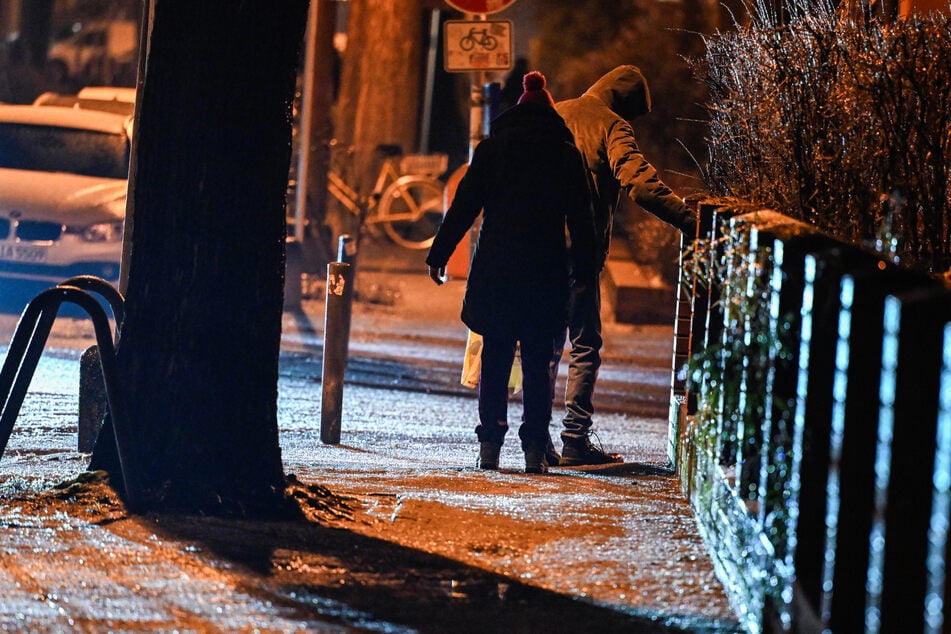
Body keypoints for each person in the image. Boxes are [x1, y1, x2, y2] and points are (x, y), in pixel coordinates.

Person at [426, 71, 596, 474]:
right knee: (538, 362)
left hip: (497, 268)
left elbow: (464, 206)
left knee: (496, 356)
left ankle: (490, 445)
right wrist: (586, 272)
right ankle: (534, 449)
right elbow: (582, 221)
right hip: (545, 269)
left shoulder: (493, 149)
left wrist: (439, 255)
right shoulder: (566, 155)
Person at [552, 65, 697, 466]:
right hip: (578, 252)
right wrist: (690, 221)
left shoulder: (555, 112)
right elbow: (641, 185)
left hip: (537, 247)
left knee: (543, 344)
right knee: (584, 345)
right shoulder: (611, 126)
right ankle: (574, 440)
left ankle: (535, 440)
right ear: (623, 103)